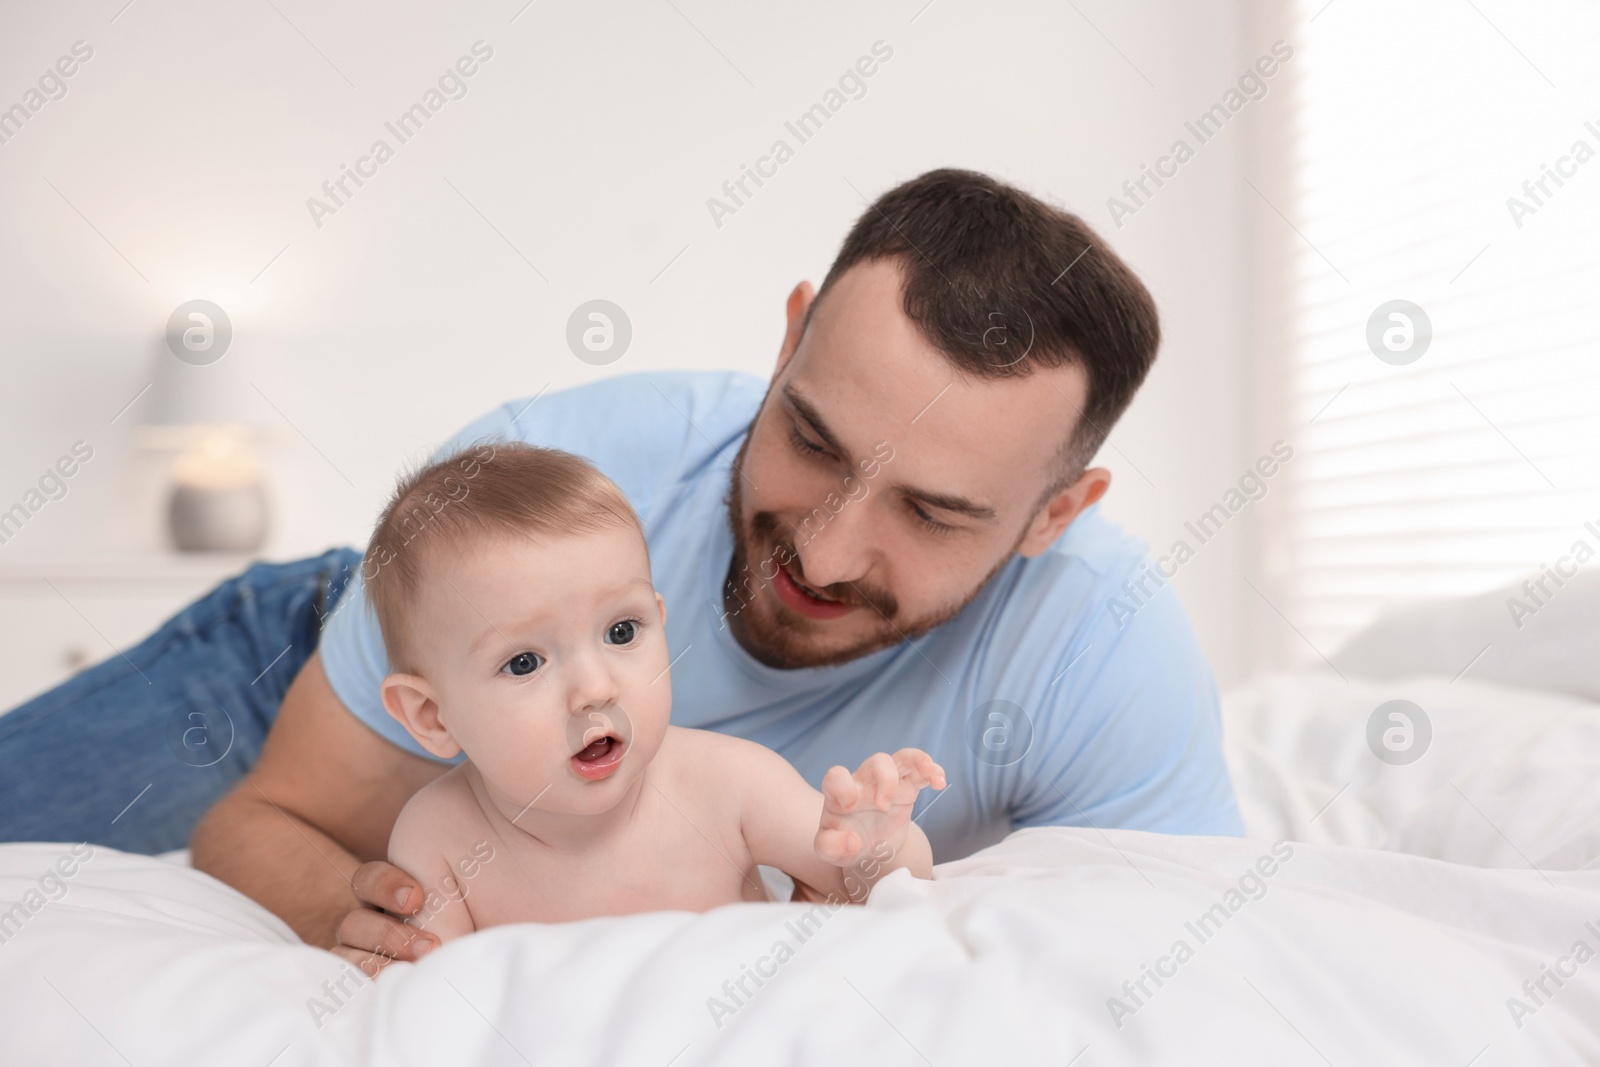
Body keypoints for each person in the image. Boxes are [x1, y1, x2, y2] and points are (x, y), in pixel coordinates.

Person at [0, 168, 1241, 977]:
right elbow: (266, 818)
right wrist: (364, 906)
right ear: (789, 332)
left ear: (1053, 513)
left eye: (932, 511)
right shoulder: (558, 467)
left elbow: (1178, 970)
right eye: (810, 438)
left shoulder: (1100, 646)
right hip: (344, 629)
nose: (824, 546)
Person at [370, 443, 945, 941]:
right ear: (432, 716)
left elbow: (870, 890)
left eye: (622, 632)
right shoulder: (440, 838)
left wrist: (877, 847)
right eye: (524, 662)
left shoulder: (730, 784)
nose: (594, 689)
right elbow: (430, 1010)